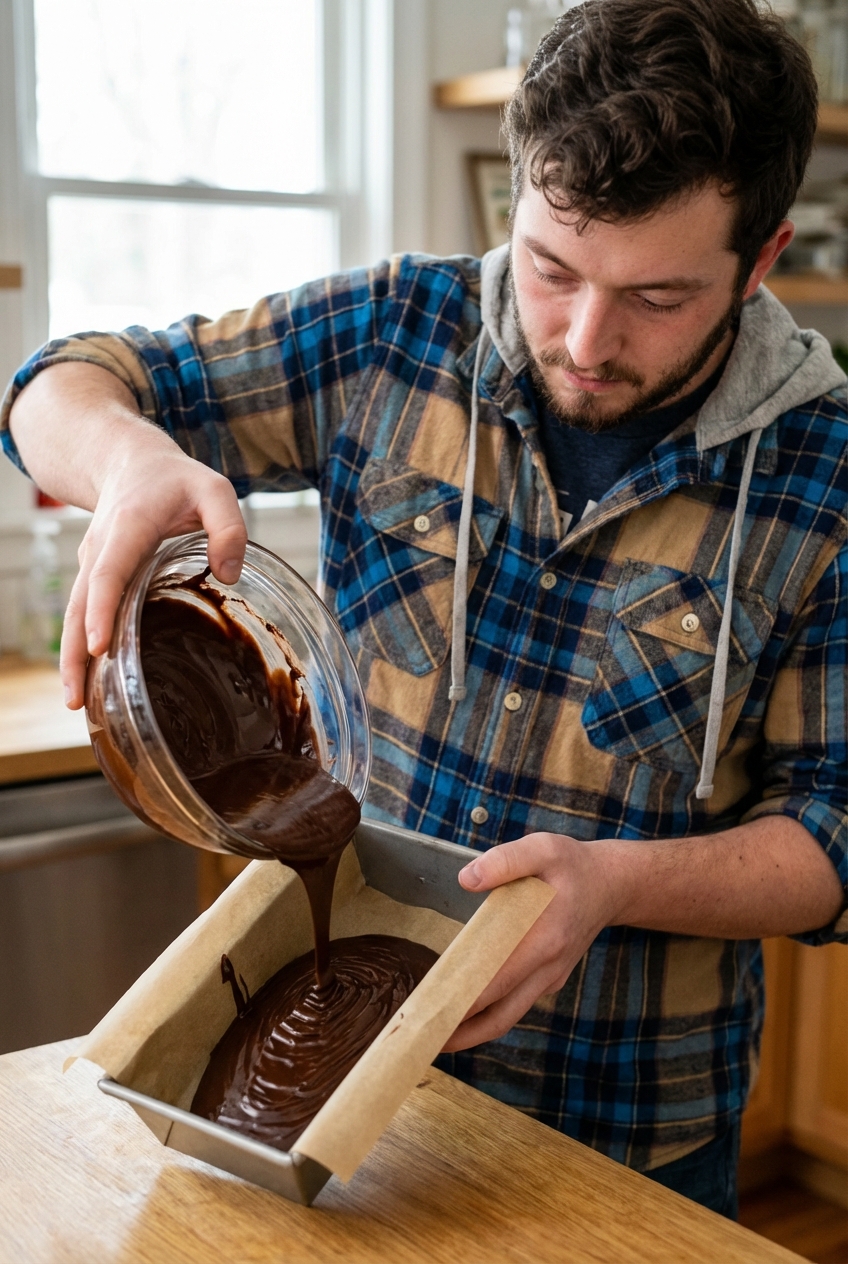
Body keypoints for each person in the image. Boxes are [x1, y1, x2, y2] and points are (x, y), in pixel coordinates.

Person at [3, 0, 845, 1219]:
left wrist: (613, 881)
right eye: (551, 269)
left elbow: (834, 834)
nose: (583, 338)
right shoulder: (391, 334)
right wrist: (130, 463)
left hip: (622, 1132)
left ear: (759, 260)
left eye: (656, 297)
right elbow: (59, 383)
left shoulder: (823, 480)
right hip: (328, 1090)